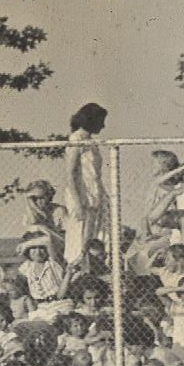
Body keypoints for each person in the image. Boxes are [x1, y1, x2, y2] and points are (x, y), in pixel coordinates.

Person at [60, 103, 109, 265]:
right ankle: (75, 270)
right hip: (81, 197)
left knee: (93, 239)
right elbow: (70, 173)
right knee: (78, 239)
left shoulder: (91, 142)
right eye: (100, 121)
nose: (103, 125)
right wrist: (77, 203)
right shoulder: (77, 138)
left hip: (94, 196)